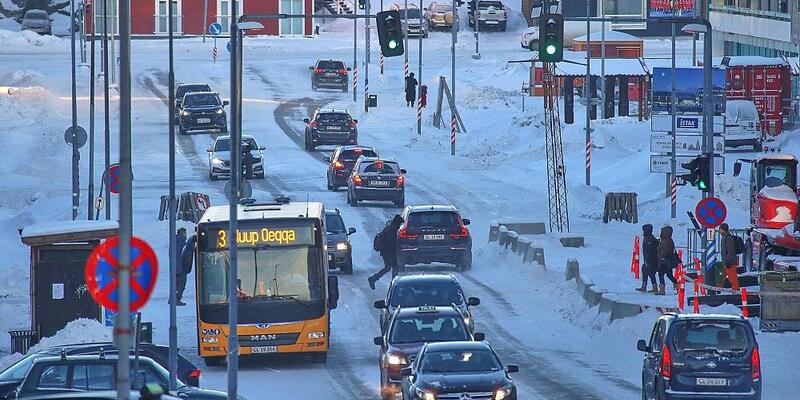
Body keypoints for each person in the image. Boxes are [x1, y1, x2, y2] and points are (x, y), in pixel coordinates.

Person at [368, 215, 404, 290]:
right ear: (397, 223)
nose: (400, 225)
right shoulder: (392, 229)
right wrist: (397, 249)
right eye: (400, 224)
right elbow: (391, 242)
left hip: (384, 251)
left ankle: (373, 278)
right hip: (389, 252)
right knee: (395, 268)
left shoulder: (390, 227)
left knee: (387, 267)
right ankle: (394, 285)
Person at [636, 224, 659, 293]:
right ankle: (644, 286)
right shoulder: (647, 238)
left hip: (651, 260)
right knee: (644, 270)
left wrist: (648, 260)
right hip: (647, 259)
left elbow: (650, 251)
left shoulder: (650, 240)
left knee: (651, 272)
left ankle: (654, 287)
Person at [656, 225, 677, 295]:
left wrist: (662, 255)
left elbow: (665, 251)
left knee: (661, 274)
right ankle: (677, 285)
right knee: (669, 275)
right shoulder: (670, 240)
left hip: (663, 261)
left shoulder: (665, 241)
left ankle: (662, 290)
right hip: (668, 261)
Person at [176, 234, 197, 306]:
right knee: (181, 285)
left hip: (175, 268)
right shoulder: (183, 243)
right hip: (182, 268)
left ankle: (173, 299)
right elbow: (186, 254)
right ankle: (177, 299)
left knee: (176, 285)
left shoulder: (174, 242)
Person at [719, 223, 740, 290]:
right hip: (726, 261)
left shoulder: (728, 238)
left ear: (723, 230)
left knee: (732, 278)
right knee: (721, 277)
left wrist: (728, 261)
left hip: (730, 262)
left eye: (720, 230)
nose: (719, 231)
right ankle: (718, 289)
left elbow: (731, 250)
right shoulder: (726, 237)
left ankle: (736, 290)